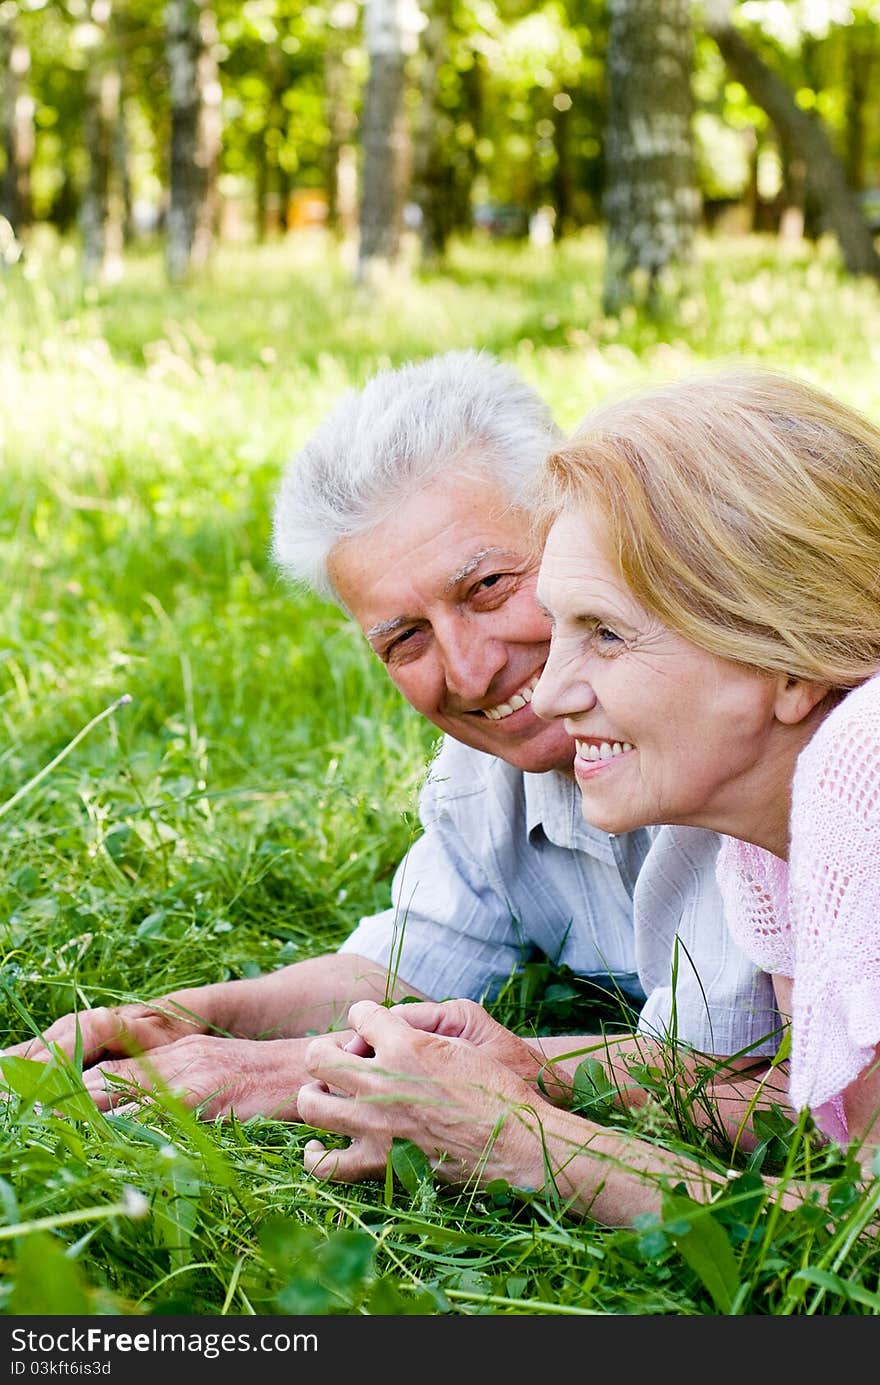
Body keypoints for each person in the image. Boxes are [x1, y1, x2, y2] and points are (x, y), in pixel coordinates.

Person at [1, 353, 778, 1136]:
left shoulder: (734, 724)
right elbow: (403, 965)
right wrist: (189, 1017)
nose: (471, 671)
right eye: (405, 638)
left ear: (574, 528)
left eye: (488, 586)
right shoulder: (485, 767)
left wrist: (286, 1071)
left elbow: (740, 1071)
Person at [298, 365, 880, 1224]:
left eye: (605, 633)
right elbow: (844, 1167)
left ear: (788, 660)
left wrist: (522, 1138)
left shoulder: (853, 778)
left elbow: (853, 1248)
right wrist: (535, 1078)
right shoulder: (772, 843)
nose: (552, 693)